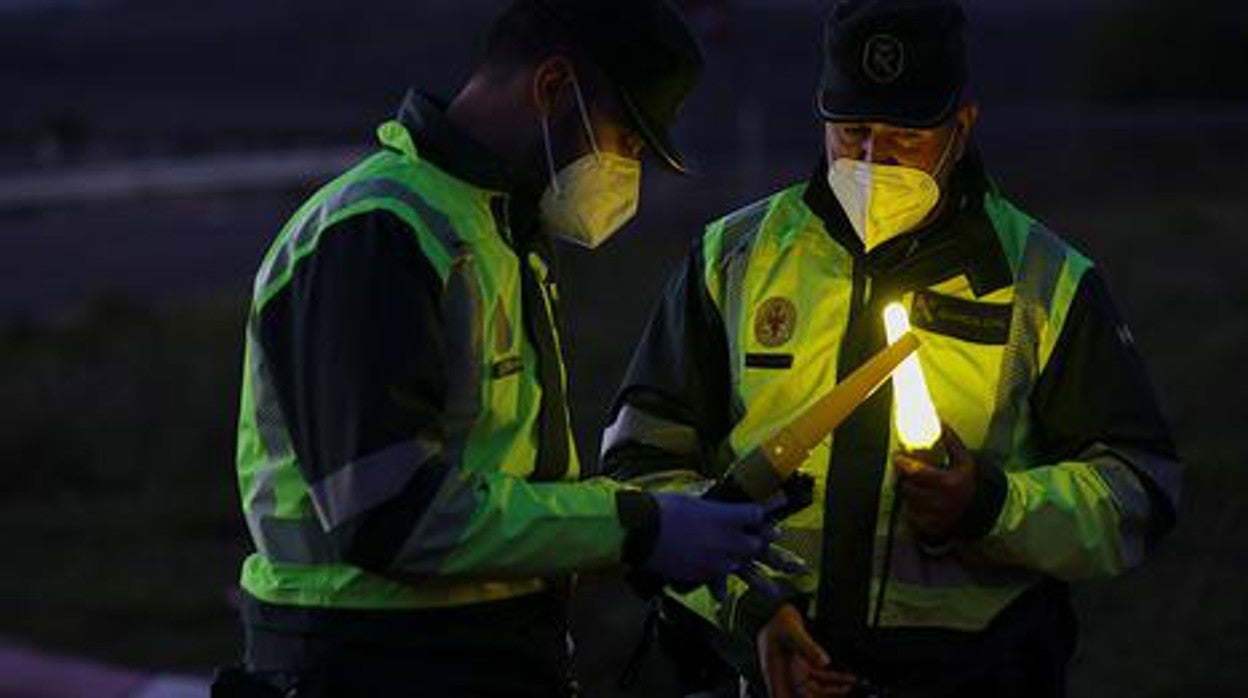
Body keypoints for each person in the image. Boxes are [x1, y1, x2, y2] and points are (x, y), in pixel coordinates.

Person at [601, 0, 1182, 695]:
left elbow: (1137, 495)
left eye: (906, 137)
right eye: (852, 132)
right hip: (748, 669)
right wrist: (751, 608)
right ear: (821, 118)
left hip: (974, 678)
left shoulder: (1045, 281)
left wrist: (989, 505)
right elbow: (640, 465)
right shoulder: (733, 258)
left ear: (960, 128)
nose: (873, 160)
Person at [217, 1, 779, 696]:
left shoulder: (496, 230)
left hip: (478, 655)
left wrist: (660, 519)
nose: (627, 173)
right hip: (369, 663)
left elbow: (504, 478)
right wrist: (636, 525)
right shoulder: (378, 234)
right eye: (625, 142)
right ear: (551, 88)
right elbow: (390, 517)